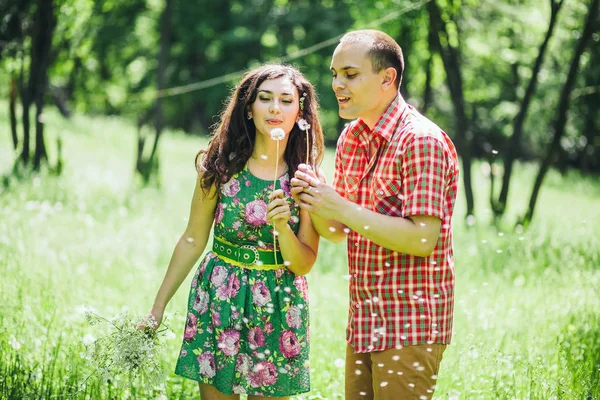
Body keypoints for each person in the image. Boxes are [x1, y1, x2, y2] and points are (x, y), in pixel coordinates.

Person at [291, 30, 459, 400]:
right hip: (364, 319)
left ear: (387, 78)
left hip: (410, 324)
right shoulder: (353, 136)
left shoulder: (421, 141)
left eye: (350, 74)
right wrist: (315, 199)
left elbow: (421, 239)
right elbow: (337, 230)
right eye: (334, 74)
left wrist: (340, 206)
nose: (337, 84)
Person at [141, 64, 324, 399]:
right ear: (248, 108)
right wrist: (158, 307)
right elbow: (193, 238)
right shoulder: (221, 167)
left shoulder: (306, 180)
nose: (274, 108)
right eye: (264, 98)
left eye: (286, 100)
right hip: (220, 297)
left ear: (300, 110)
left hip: (279, 306)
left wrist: (283, 228)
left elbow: (303, 264)